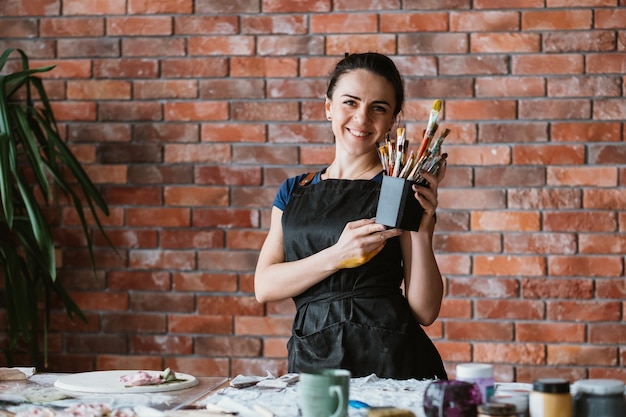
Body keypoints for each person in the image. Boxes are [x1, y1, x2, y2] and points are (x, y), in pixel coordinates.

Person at [254, 52, 448, 380]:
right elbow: (264, 285)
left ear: (391, 120)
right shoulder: (293, 190)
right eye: (350, 102)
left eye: (378, 108)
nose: (361, 118)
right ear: (329, 107)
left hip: (392, 361)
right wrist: (338, 255)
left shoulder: (398, 188)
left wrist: (423, 227)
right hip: (313, 355)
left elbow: (425, 311)